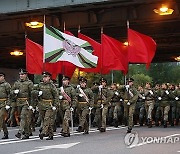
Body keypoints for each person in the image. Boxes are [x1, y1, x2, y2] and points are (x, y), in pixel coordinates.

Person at [34, 72, 59, 140]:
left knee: (47, 119)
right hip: (41, 104)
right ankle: (51, 134)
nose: (44, 78)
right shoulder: (40, 85)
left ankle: (44, 132)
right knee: (44, 119)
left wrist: (55, 106)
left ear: (49, 78)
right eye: (44, 77)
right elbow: (33, 92)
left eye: (46, 77)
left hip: (49, 105)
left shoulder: (52, 86)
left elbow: (56, 96)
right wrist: (38, 93)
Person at [12, 69, 33, 139]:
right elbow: (11, 92)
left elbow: (32, 94)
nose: (21, 76)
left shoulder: (29, 83)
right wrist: (14, 92)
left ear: (26, 75)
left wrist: (31, 105)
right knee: (22, 118)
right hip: (19, 102)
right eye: (20, 74)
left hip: (26, 102)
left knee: (23, 116)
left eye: (23, 74)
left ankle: (19, 132)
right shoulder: (17, 83)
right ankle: (27, 133)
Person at [0, 72, 11, 139]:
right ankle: (5, 132)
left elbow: (10, 95)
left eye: (0, 76)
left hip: (4, 103)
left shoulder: (6, 85)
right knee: (2, 120)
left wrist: (8, 104)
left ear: (3, 77)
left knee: (1, 116)